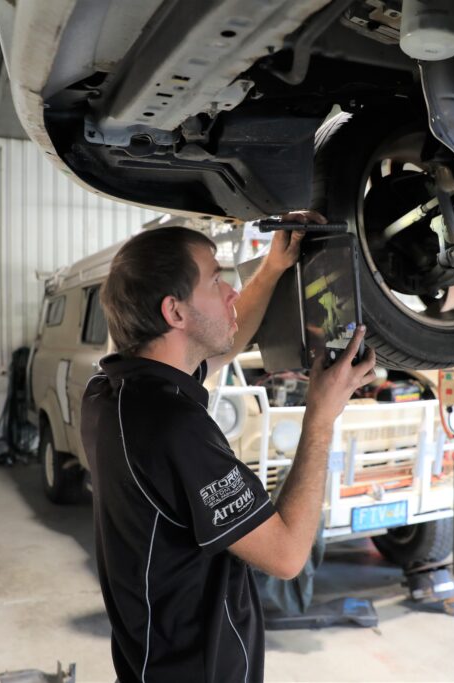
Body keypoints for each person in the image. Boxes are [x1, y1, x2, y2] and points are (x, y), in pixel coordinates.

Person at [80, 213, 377, 683]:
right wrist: (320, 418)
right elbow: (286, 556)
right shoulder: (173, 428)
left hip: (152, 662)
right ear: (175, 312)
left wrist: (275, 267)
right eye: (216, 281)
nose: (232, 291)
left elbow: (224, 343)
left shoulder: (113, 391)